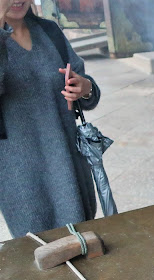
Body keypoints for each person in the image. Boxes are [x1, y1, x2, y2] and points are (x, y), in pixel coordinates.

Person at [0, 0, 100, 238]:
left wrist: (84, 87)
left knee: (84, 241)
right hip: (21, 174)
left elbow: (88, 93)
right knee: (42, 251)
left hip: (68, 162)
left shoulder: (49, 31)